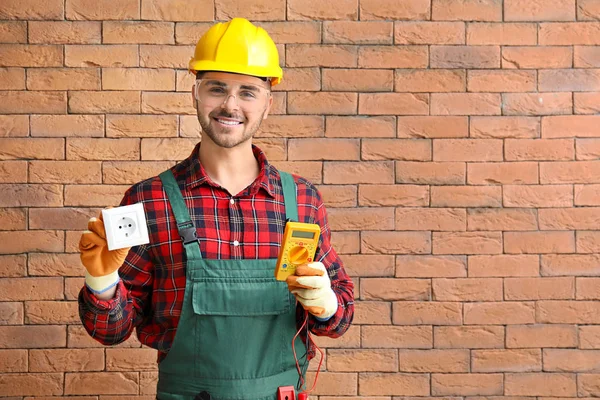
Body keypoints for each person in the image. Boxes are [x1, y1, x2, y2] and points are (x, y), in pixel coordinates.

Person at [78, 18, 354, 400]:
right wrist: (102, 282)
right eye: (217, 88)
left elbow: (339, 322)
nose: (230, 104)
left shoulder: (302, 200)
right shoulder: (149, 200)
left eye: (248, 92)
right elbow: (111, 331)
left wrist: (326, 303)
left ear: (268, 104)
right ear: (195, 93)